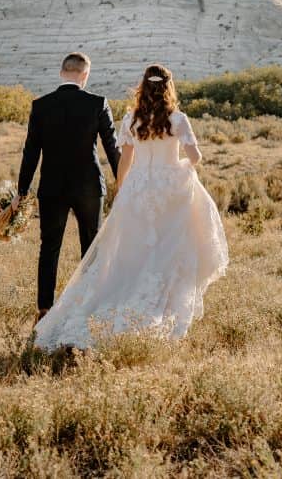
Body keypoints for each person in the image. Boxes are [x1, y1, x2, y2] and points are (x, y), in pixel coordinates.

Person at [32, 63, 228, 350]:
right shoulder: (178, 119)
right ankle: (161, 307)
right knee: (167, 249)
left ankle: (108, 303)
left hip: (138, 189)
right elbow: (195, 157)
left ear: (143, 87)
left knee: (132, 251)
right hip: (170, 191)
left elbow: (124, 160)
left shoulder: (131, 119)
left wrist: (123, 187)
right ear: (168, 88)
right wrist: (178, 168)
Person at [12, 52, 120, 321]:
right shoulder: (98, 103)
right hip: (89, 188)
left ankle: (44, 309)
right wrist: (124, 182)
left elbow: (30, 153)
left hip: (52, 187)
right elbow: (112, 148)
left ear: (62, 73)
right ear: (85, 75)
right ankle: (87, 307)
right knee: (91, 249)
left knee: (49, 247)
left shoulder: (41, 106)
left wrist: (21, 192)